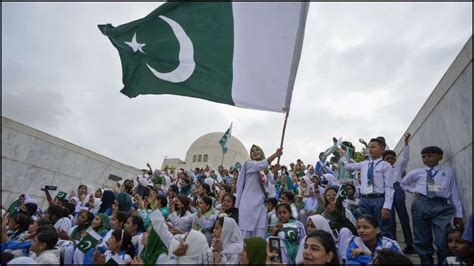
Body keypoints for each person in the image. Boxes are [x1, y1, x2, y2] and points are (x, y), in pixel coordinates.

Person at [400, 146, 464, 265]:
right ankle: (426, 263)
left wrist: (458, 214)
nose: (427, 159)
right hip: (421, 205)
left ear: (440, 157)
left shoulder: (448, 171)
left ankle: (443, 263)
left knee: (443, 239)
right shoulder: (417, 172)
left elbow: (454, 193)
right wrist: (414, 190)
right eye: (424, 156)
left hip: (441, 206)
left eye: (430, 155)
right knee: (422, 239)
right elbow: (403, 184)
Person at [338, 138, 395, 239]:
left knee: (384, 228)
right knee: (367, 227)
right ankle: (371, 250)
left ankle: (387, 252)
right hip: (364, 200)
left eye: (373, 147)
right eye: (369, 148)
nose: (370, 150)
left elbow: (389, 187)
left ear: (382, 149)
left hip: (379, 199)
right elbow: (347, 167)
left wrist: (387, 206)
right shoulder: (364, 164)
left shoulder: (385, 165)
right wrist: (342, 157)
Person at [235, 145, 282, 239]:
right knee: (246, 231)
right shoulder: (248, 164)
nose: (255, 152)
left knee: (259, 231)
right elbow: (258, 165)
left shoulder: (265, 170)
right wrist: (275, 155)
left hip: (261, 205)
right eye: (252, 151)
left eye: (257, 150)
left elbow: (272, 182)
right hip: (248, 204)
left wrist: (276, 172)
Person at [382, 132, 416, 254]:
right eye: (387, 159)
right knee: (389, 220)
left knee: (403, 217)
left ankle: (410, 244)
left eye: (392, 158)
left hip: (397, 189)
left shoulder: (399, 166)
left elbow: (406, 157)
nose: (390, 160)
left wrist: (406, 143)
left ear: (395, 159)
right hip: (387, 191)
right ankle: (393, 244)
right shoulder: (381, 168)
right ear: (384, 160)